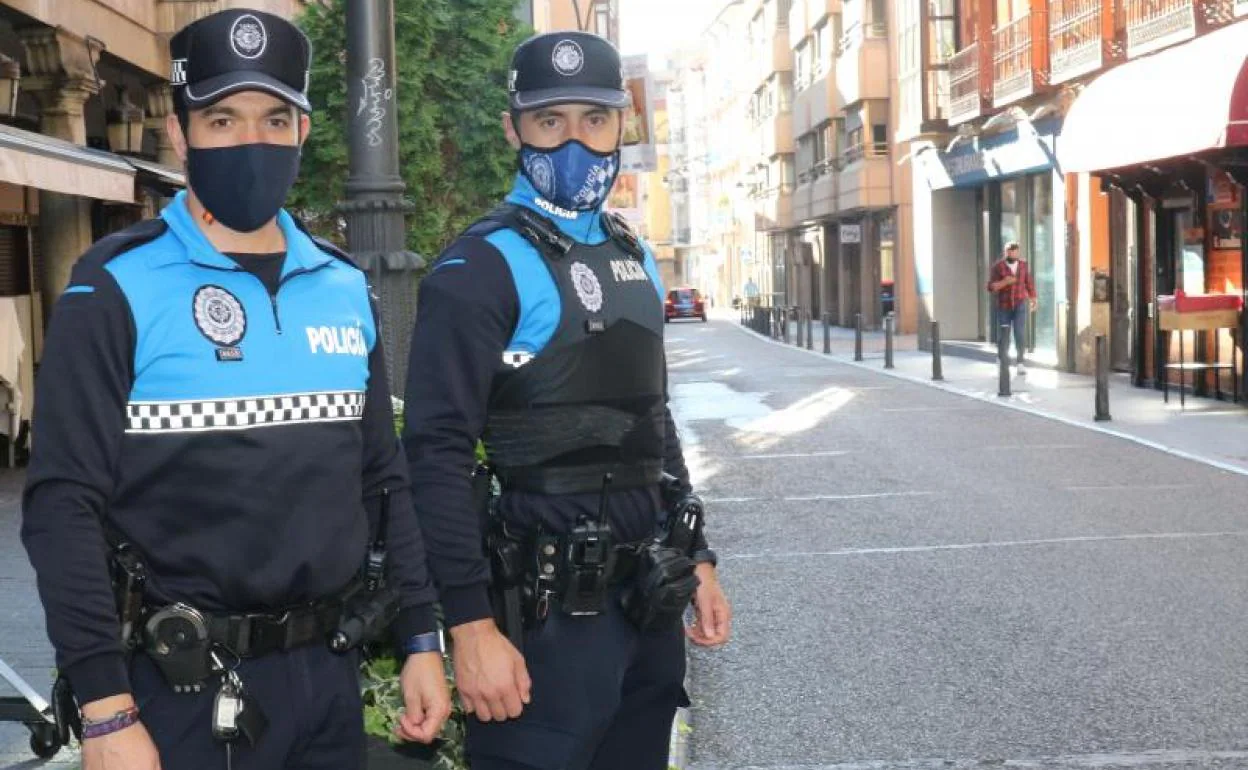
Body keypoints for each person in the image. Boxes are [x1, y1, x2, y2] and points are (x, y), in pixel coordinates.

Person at [20, 9, 450, 770]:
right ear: (182, 135)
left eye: (273, 117)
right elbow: (62, 505)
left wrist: (420, 638)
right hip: (179, 694)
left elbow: (383, 481)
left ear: (303, 129)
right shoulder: (114, 286)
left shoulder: (344, 285)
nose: (252, 139)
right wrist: (106, 711)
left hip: (328, 680)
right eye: (223, 118)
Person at [403, 31, 732, 770]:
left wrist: (698, 557)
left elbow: (653, 421)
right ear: (513, 128)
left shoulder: (631, 252)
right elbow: (433, 457)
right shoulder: (478, 266)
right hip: (541, 627)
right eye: (551, 122)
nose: (576, 142)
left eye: (595, 119)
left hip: (646, 608)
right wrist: (468, 625)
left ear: (623, 126)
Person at [987, 241, 1037, 375]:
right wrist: (1005, 282)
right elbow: (990, 287)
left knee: (1020, 334)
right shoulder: (998, 267)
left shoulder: (1023, 265)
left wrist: (1033, 298)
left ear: (1018, 252)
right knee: (1004, 335)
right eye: (1009, 251)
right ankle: (1001, 360)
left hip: (1020, 304)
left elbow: (1028, 282)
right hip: (1004, 305)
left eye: (1014, 251)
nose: (1011, 253)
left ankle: (1020, 362)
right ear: (1005, 252)